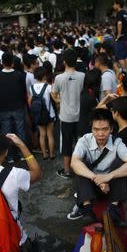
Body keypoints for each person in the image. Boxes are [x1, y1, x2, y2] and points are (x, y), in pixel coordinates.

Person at [67, 109, 127, 222]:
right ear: (91, 129)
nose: (100, 134)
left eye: (105, 129)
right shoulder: (84, 140)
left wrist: (108, 177)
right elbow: (74, 162)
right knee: (79, 165)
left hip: (110, 187)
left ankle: (113, 207)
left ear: (111, 129)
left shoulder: (117, 142)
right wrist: (96, 178)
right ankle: (87, 208)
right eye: (96, 129)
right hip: (91, 187)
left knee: (122, 163)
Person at [51, 49, 85, 178]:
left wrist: (61, 101)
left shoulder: (59, 78)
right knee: (81, 143)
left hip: (66, 116)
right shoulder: (82, 76)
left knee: (66, 144)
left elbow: (53, 94)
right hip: (80, 115)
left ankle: (67, 171)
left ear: (64, 61)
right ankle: (82, 170)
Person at [0, 52, 28, 159]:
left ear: (2, 62)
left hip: (4, 108)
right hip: (18, 106)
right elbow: (24, 91)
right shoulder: (19, 75)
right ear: (12, 62)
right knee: (20, 131)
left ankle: (9, 156)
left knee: (7, 133)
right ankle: (23, 154)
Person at [28, 66, 56, 160]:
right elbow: (55, 99)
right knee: (50, 135)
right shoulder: (48, 87)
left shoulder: (31, 88)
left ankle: (44, 154)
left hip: (38, 115)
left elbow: (29, 101)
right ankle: (52, 154)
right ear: (44, 76)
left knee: (42, 134)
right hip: (49, 114)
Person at [78, 69, 101, 137]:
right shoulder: (90, 97)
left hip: (83, 128)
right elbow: (98, 109)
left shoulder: (86, 92)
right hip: (87, 131)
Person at [113, 0, 127, 72]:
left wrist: (119, 34)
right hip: (126, 37)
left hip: (121, 38)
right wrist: (126, 30)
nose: (113, 6)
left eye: (114, 4)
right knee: (125, 55)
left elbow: (119, 23)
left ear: (118, 4)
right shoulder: (126, 13)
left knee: (120, 56)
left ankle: (124, 71)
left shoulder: (119, 13)